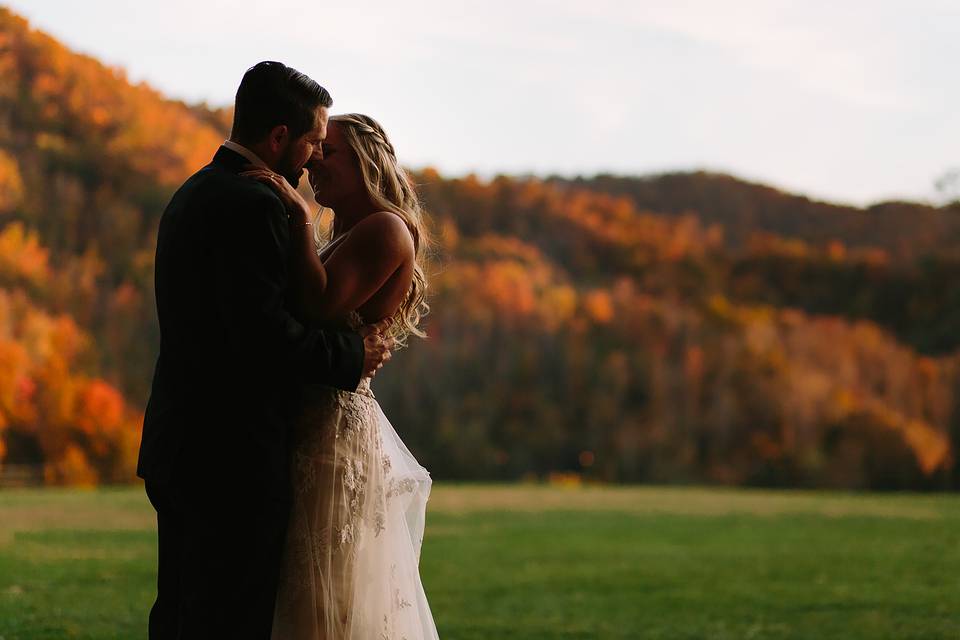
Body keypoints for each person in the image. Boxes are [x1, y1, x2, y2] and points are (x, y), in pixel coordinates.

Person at [137, 62, 392, 639]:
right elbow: (264, 339)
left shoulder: (195, 191)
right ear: (279, 138)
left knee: (180, 613)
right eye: (310, 142)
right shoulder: (253, 206)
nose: (313, 158)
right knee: (227, 619)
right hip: (231, 458)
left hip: (182, 444)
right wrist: (352, 356)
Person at [242, 113, 440, 639]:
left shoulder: (385, 229)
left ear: (366, 163)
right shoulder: (351, 232)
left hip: (332, 436)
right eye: (314, 149)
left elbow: (323, 301)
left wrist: (299, 216)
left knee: (324, 594)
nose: (313, 162)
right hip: (312, 423)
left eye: (328, 152)